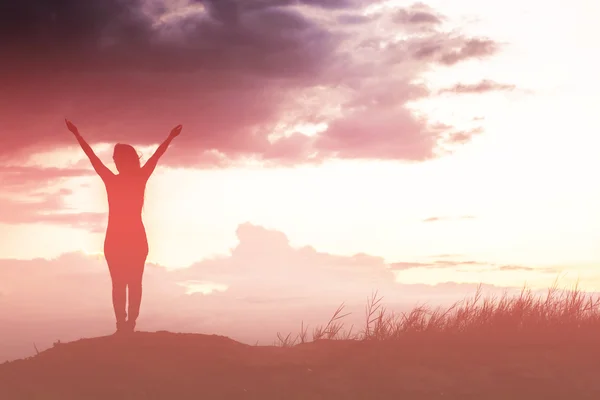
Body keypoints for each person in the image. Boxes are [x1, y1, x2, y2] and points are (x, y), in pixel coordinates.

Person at [66, 119, 183, 334]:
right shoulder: (135, 178)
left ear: (124, 160)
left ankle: (125, 326)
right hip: (130, 239)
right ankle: (125, 326)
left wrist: (77, 134)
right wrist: (169, 137)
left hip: (120, 239)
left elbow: (94, 159)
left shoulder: (116, 180)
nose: (113, 161)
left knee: (124, 284)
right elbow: (156, 156)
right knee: (129, 284)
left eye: (116, 158)